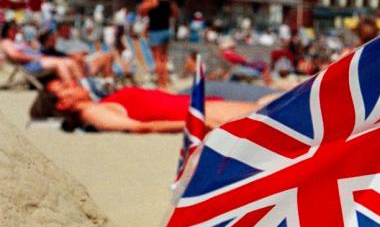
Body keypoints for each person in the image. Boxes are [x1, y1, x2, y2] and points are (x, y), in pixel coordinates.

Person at [31, 79, 270, 133]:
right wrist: (197, 123)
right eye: (65, 86)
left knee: (271, 102)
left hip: (198, 100)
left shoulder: (101, 103)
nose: (73, 82)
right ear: (63, 103)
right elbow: (139, 127)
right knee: (272, 107)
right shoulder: (93, 111)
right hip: (201, 111)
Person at [138, 0, 177, 89]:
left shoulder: (152, 1)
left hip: (156, 31)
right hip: (166, 31)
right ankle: (165, 81)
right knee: (164, 58)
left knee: (157, 59)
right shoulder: (169, 1)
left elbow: (141, 11)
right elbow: (175, 13)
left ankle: (161, 83)